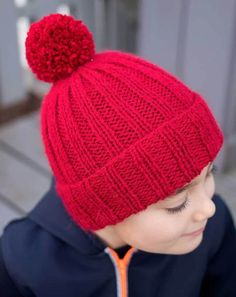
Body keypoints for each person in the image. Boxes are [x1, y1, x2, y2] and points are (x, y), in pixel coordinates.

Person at [0, 13, 236, 297]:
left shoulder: (214, 227)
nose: (208, 208)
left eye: (209, 173)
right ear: (104, 208)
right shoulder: (24, 260)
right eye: (177, 201)